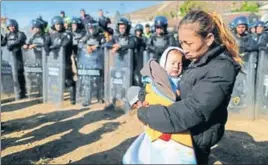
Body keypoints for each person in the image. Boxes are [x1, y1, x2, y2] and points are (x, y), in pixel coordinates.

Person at [136, 10, 242, 164]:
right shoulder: (195, 60)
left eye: (189, 43)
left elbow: (193, 111)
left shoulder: (221, 68)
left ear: (209, 39)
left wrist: (146, 113)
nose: (184, 49)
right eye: (181, 43)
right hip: (182, 135)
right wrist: (145, 97)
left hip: (197, 138)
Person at [44, 16, 76, 105]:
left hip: (65, 61)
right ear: (54, 25)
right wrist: (49, 47)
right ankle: (56, 96)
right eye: (56, 24)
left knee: (69, 80)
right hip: (54, 62)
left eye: (60, 24)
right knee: (54, 80)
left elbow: (65, 44)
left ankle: (73, 98)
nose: (58, 26)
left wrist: (53, 47)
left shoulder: (67, 34)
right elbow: (46, 46)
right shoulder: (51, 35)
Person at [1, 19, 27, 99]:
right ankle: (13, 91)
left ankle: (22, 92)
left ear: (15, 26)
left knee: (19, 74)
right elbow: (2, 43)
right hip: (10, 59)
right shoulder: (7, 35)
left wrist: (12, 45)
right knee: (11, 74)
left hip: (18, 57)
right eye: (9, 26)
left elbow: (21, 40)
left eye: (12, 26)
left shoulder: (20, 33)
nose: (11, 28)